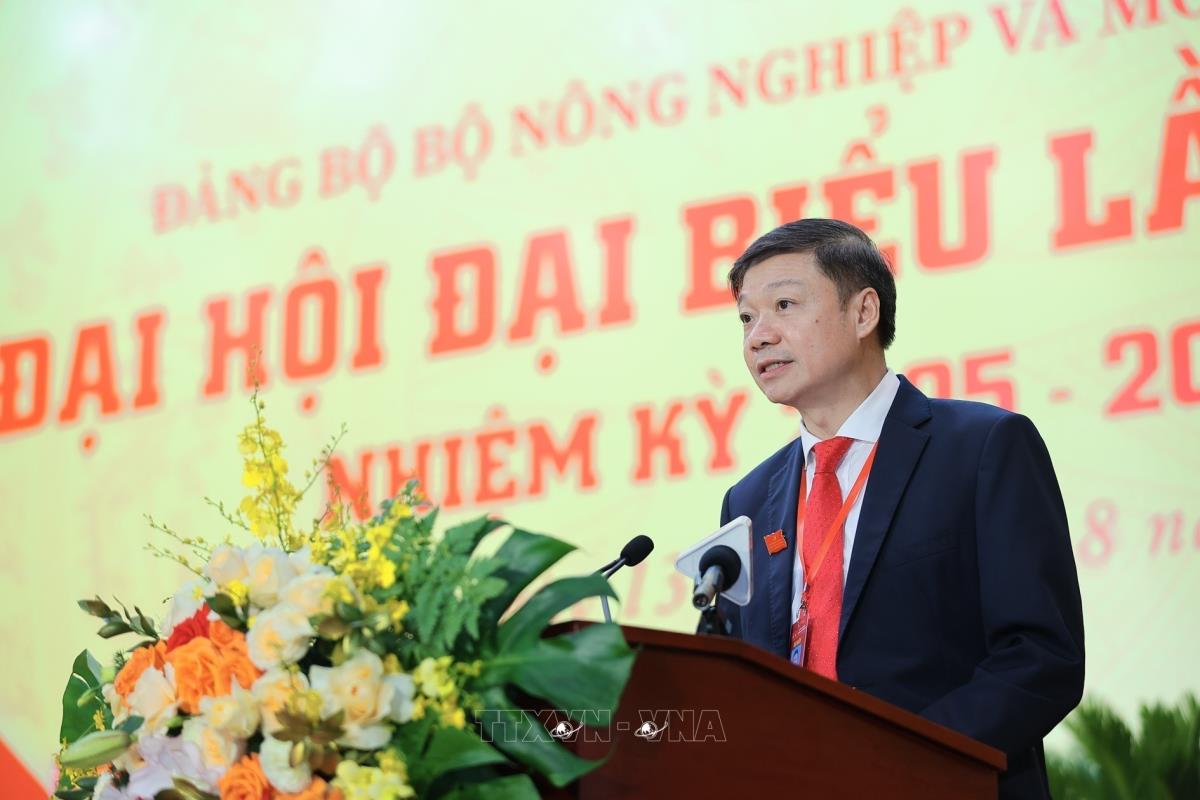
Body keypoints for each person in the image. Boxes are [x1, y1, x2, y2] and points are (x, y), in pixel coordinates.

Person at [712, 218, 1084, 799]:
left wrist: (895, 766)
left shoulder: (981, 448)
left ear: (864, 312)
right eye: (746, 318)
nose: (758, 336)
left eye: (783, 305)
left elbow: (1041, 657)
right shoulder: (749, 501)